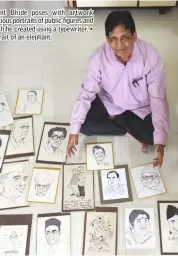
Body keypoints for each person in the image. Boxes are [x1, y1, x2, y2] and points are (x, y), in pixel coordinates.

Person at [67, 10, 170, 167]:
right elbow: (87, 93)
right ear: (107, 40)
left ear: (134, 36)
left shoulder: (151, 56)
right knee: (82, 125)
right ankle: (127, 127)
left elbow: (158, 98)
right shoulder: (98, 57)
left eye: (125, 38)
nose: (119, 46)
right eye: (114, 39)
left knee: (154, 138)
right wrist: (74, 131)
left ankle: (122, 124)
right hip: (111, 101)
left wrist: (160, 140)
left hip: (140, 106)